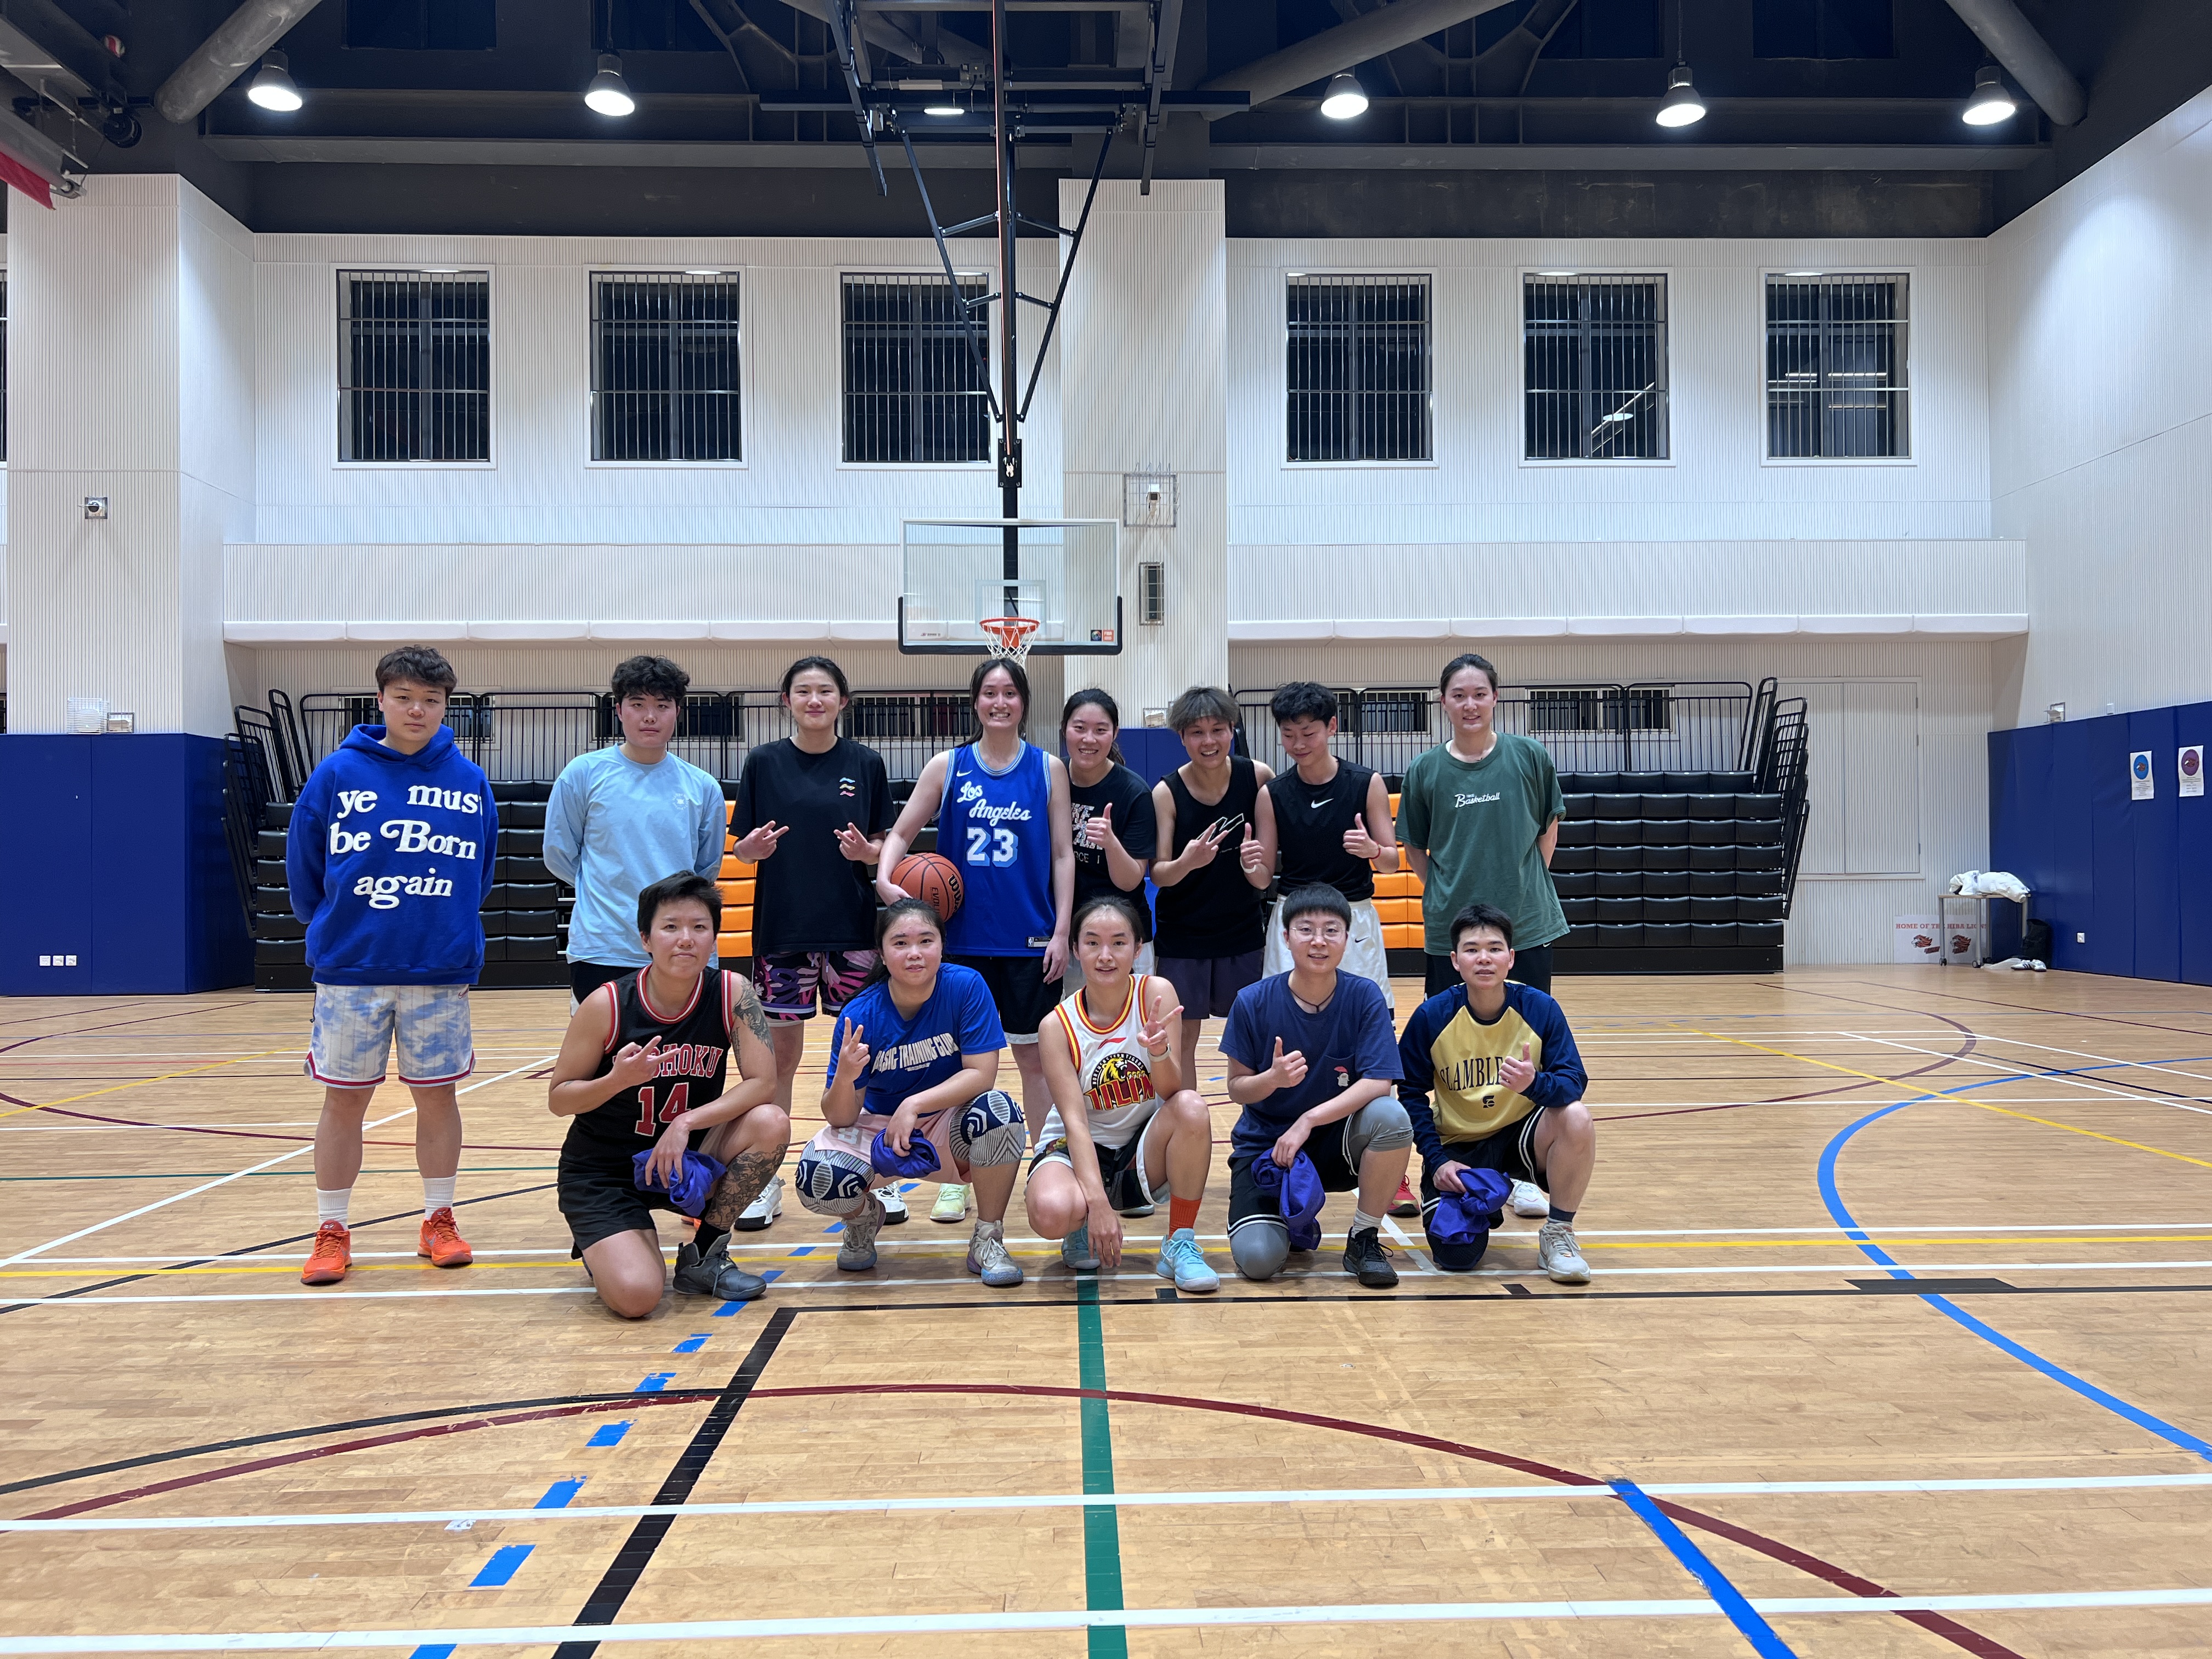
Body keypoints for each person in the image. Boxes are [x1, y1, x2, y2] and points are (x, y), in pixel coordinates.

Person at [286, 646, 498, 1288]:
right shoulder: (338, 773)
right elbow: (304, 870)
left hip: (437, 968)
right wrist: (338, 928)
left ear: (446, 706)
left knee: (438, 1099)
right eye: (404, 698)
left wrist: (445, 928)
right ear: (380, 699)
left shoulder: (469, 780)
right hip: (352, 967)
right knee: (344, 1102)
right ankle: (332, 1228)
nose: (417, 710)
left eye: (431, 701)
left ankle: (438, 1218)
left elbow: (479, 873)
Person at [876, 658, 1074, 1223]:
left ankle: (1046, 1164)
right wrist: (886, 880)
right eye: (990, 692)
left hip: (1029, 938)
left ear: (1023, 702)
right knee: (956, 1065)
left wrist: (1061, 930)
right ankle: (954, 1176)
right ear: (976, 702)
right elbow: (902, 831)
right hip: (959, 941)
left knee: (1035, 1060)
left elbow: (1063, 854)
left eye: (1010, 693)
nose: (999, 702)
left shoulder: (1048, 769)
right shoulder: (949, 765)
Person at [545, 873, 791, 1317]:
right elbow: (560, 1099)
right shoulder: (606, 1004)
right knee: (638, 1297)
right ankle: (608, 1241)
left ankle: (704, 1255)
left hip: (684, 1158)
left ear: (714, 938)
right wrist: (616, 1080)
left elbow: (763, 1083)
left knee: (770, 1122)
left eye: (699, 927)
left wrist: (686, 1123)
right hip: (605, 1172)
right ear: (646, 939)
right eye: (671, 927)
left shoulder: (732, 993)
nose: (686, 939)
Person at [1395, 652, 1566, 1220]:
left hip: (1528, 923)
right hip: (1450, 930)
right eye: (1458, 695)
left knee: (1526, 1048)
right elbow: (1415, 846)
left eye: (1479, 693)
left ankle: (1521, 1170)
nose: (1470, 704)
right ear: (1443, 702)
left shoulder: (1529, 757)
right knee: (1452, 1050)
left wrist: (1522, 888)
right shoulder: (1425, 770)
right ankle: (1451, 1158)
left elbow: (1547, 828)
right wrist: (1446, 894)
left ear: (1496, 697)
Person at [730, 656, 894, 1224]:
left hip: (853, 930)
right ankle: (765, 1179)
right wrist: (748, 851)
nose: (815, 700)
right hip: (784, 930)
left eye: (826, 691)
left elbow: (885, 845)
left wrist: (869, 853)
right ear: (787, 701)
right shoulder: (763, 762)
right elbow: (741, 847)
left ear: (843, 701)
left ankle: (882, 1170)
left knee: (867, 1053)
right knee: (780, 1060)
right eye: (803, 691)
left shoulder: (866, 763)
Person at [791, 898, 1029, 1287]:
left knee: (999, 1113)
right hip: (879, 1130)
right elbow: (840, 1118)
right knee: (817, 1178)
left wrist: (913, 1105)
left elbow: (982, 1075)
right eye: (900, 943)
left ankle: (988, 1238)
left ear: (942, 945)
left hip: (948, 1123)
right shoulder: (859, 1014)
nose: (914, 953)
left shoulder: (966, 986)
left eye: (925, 941)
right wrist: (846, 1077)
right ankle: (864, 1218)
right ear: (882, 954)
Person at [1252, 681, 1411, 1214]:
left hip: (1354, 918)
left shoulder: (1365, 783)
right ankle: (1278, 1148)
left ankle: (1391, 1167)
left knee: (1372, 1034)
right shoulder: (1273, 793)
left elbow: (1391, 860)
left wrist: (1372, 849)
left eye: (1309, 732)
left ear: (1332, 727)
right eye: (1289, 735)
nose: (1299, 744)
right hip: (1292, 917)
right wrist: (1251, 866)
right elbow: (1262, 877)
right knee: (1280, 1034)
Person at [1024, 895, 1222, 1294]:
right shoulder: (1056, 1026)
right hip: (1075, 1148)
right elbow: (1075, 1123)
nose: (1105, 955)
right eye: (1092, 942)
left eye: (1118, 942)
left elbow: (1171, 1093)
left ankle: (1179, 1241)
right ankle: (1078, 1225)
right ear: (1076, 949)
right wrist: (1097, 1205)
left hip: (1138, 1148)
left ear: (1137, 948)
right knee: (1050, 1212)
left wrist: (1158, 1052)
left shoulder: (1156, 994)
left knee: (1191, 1106)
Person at [1218, 885, 1413, 1289]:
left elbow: (1379, 1082)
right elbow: (1237, 1089)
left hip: (1335, 1144)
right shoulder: (1251, 1001)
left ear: (1347, 937)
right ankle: (1294, 1221)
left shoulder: (1365, 996)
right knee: (1259, 1262)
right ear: (1286, 937)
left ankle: (1364, 1238)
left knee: (1391, 1117)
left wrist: (1308, 1120)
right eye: (1306, 929)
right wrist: (1271, 1080)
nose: (1319, 941)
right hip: (1269, 1148)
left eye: (1331, 930)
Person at [1397, 903, 1594, 1285]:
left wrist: (1534, 1084)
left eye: (1494, 948)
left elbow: (1574, 1081)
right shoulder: (1432, 1016)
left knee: (1575, 1116)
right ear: (1455, 961)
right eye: (1472, 949)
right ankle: (1486, 1196)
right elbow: (1410, 1094)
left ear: (1511, 958)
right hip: (1459, 1149)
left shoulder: (1540, 1008)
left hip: (1521, 1138)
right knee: (1457, 1258)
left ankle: (1559, 1231)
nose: (1484, 958)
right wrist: (1436, 1161)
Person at [545, 655, 727, 1004]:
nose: (650, 716)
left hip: (680, 948)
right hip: (603, 947)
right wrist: (604, 887)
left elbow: (705, 869)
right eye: (638, 704)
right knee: (603, 1042)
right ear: (619, 710)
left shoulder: (703, 787)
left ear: (678, 712)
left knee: (683, 1041)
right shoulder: (582, 774)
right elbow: (559, 855)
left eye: (662, 705)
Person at [1150, 685, 1275, 1109]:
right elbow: (1159, 873)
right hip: (1183, 933)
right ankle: (1185, 1124)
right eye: (1197, 732)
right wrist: (1188, 862)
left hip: (1242, 929)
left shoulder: (1258, 777)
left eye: (1218, 730)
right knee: (1183, 1036)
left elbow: (1265, 869)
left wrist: (1256, 865)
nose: (1209, 741)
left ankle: (1258, 1125)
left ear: (1232, 729)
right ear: (1182, 737)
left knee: (1252, 1031)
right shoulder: (1167, 793)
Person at [1062, 688, 1159, 996]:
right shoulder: (1051, 779)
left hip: (1123, 932)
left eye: (1101, 730)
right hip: (1068, 932)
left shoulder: (1134, 792)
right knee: (1074, 1019)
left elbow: (1131, 880)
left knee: (1131, 1018)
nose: (1089, 739)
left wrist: (1110, 843)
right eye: (1080, 728)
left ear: (1115, 733)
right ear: (1064, 729)